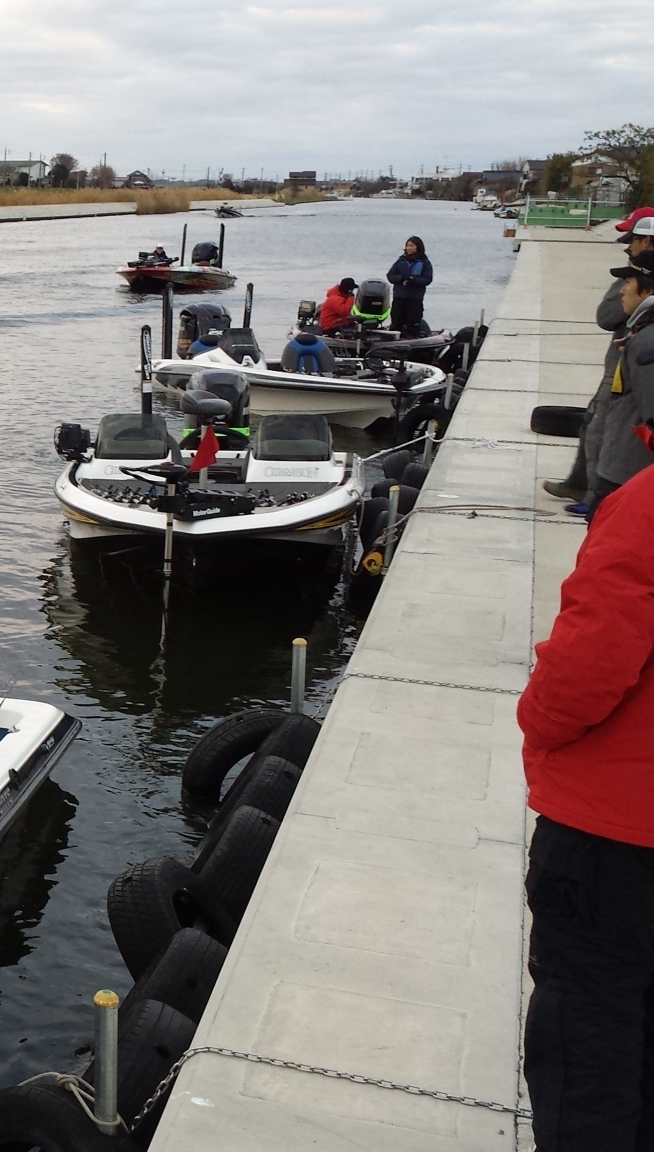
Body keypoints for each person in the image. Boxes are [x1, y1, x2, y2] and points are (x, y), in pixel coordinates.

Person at [519, 398, 654, 1147]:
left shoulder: (645, 505)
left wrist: (538, 722)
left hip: (616, 838)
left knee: (589, 1045)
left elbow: (587, 665)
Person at [546, 208, 654, 506]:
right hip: (622, 369)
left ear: (646, 241)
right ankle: (586, 487)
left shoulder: (644, 333)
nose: (627, 245)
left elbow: (606, 315)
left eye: (632, 239)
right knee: (598, 424)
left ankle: (597, 496)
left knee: (603, 427)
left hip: (624, 375)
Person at [585, 250, 654, 514]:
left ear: (647, 290)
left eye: (628, 282)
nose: (622, 291)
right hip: (623, 468)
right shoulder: (640, 334)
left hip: (628, 473)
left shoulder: (646, 342)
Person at [386, 236, 434, 337]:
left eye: (412, 246)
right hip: (399, 298)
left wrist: (414, 281)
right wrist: (401, 278)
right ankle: (392, 342)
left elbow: (427, 279)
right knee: (396, 323)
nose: (409, 248)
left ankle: (412, 340)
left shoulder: (424, 262)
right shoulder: (401, 261)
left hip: (414, 299)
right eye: (407, 245)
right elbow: (390, 276)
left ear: (418, 247)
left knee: (412, 324)